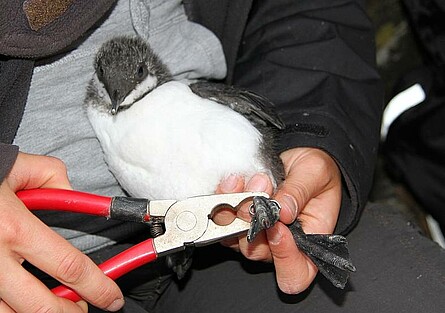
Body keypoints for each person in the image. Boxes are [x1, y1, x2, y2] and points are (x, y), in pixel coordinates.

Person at [0, 0, 444, 312]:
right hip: (25, 276)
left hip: (232, 232)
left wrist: (312, 131)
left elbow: (306, 12)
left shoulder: (174, 94)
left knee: (411, 296)